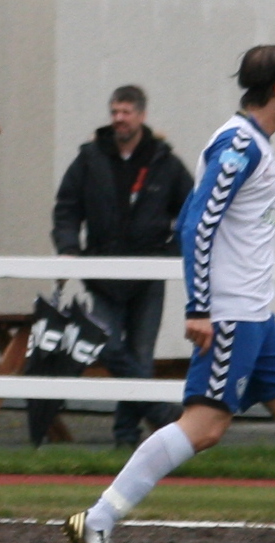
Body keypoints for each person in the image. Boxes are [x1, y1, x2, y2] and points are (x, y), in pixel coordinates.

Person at [70, 46, 275, 543]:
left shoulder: (253, 143)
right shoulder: (239, 145)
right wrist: (200, 307)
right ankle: (98, 518)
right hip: (230, 313)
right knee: (203, 428)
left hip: (256, 315)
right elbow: (196, 223)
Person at [44, 84, 189, 447]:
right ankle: (161, 413)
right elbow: (66, 209)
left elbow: (192, 212)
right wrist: (68, 249)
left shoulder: (164, 162)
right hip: (102, 275)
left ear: (141, 115)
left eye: (126, 112)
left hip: (149, 276)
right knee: (106, 346)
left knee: (141, 355)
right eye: (114, 112)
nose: (119, 119)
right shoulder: (89, 159)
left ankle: (126, 438)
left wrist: (171, 253)